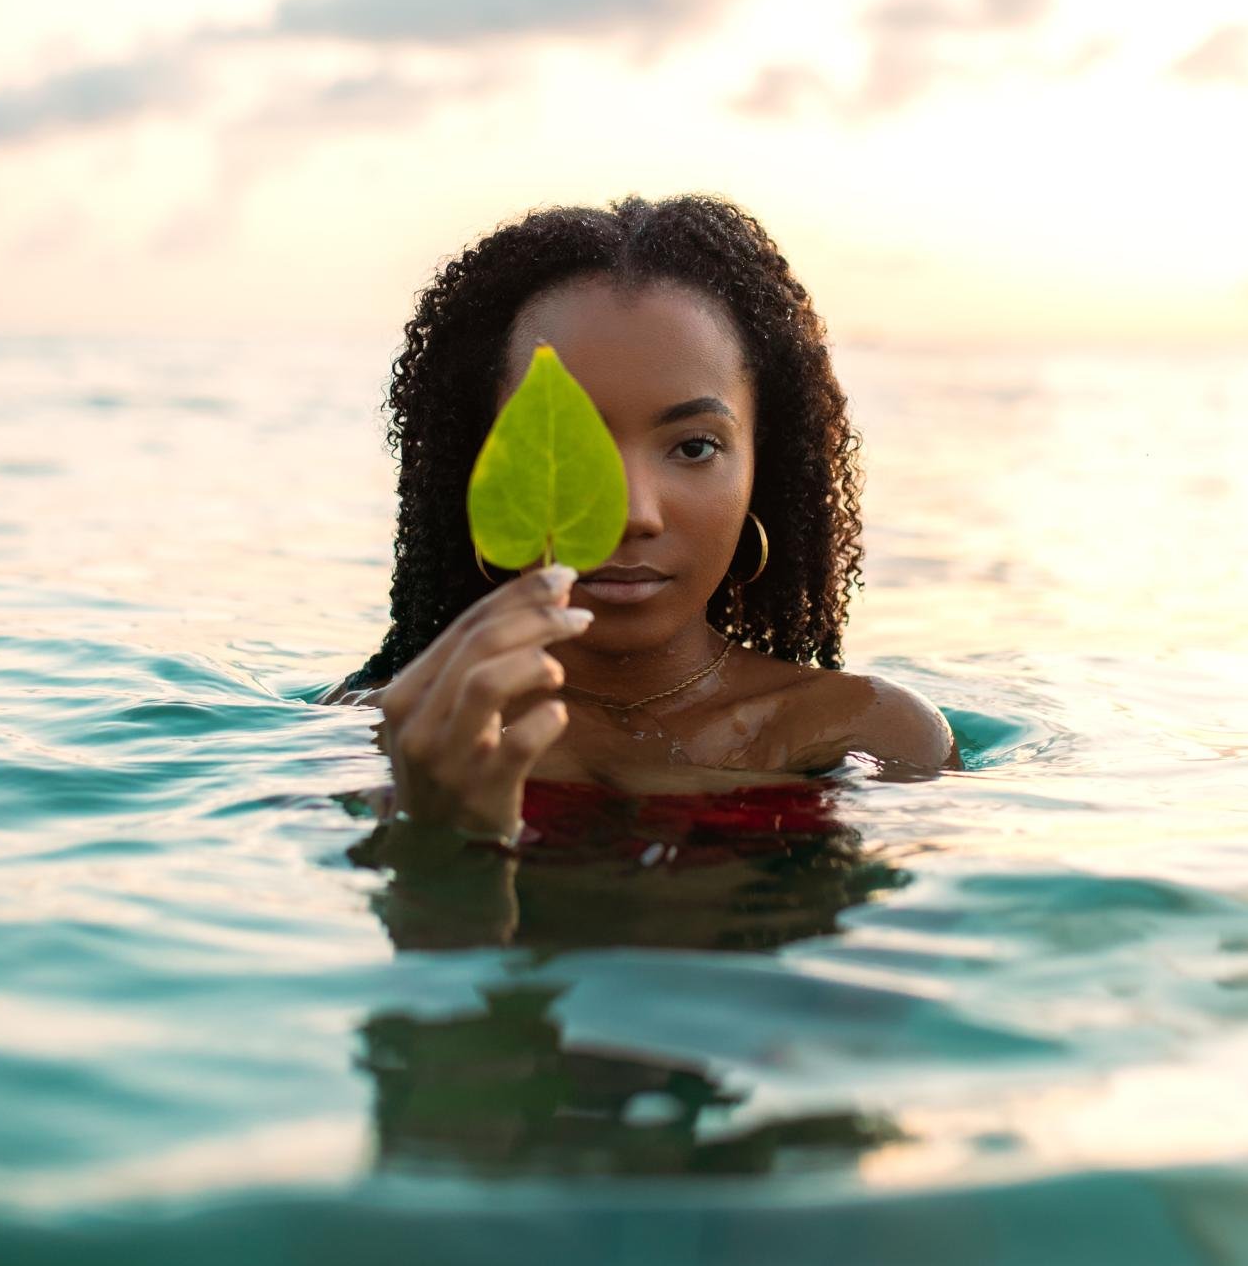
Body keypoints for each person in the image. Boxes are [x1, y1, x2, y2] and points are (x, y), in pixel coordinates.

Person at [322, 193, 961, 848]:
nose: (633, 514)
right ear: (475, 461)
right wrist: (439, 837)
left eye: (694, 447)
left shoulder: (873, 735)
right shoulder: (378, 734)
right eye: (568, 449)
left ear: (760, 468)